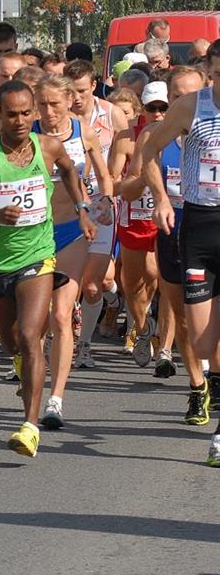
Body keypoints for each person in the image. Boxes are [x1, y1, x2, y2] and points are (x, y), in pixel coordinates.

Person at [0, 80, 91, 457]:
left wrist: (82, 209)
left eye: (26, 113)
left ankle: (30, 425)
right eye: (11, 114)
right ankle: (20, 362)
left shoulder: (48, 147)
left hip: (38, 255)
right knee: (13, 341)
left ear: (35, 112)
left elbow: (69, 171)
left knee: (31, 336)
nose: (20, 121)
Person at [139, 41, 220, 467]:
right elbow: (148, 150)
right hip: (198, 226)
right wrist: (161, 199)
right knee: (203, 339)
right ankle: (205, 382)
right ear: (210, 73)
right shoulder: (190, 107)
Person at [127, 65, 212, 423]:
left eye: (190, 95)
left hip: (210, 224)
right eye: (177, 96)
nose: (184, 102)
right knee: (184, 316)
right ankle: (198, 386)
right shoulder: (156, 135)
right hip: (174, 228)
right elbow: (140, 168)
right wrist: (159, 197)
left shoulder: (213, 126)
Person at [31, 75, 111, 427]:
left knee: (62, 315)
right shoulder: (27, 132)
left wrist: (105, 201)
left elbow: (105, 176)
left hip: (71, 230)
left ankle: (56, 399)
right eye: (42, 104)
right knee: (33, 321)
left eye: (54, 104)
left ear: (68, 102)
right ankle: (31, 372)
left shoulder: (83, 132)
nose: (49, 111)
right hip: (32, 233)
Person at [67, 58, 128, 369]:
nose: (76, 97)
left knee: (95, 285)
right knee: (67, 282)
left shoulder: (112, 114)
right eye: (70, 91)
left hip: (102, 205)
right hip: (67, 206)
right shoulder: (59, 118)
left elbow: (128, 150)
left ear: (93, 85)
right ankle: (63, 336)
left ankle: (85, 344)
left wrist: (110, 193)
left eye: (81, 90)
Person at [108, 80, 169, 371]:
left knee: (159, 275)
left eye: (163, 108)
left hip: (164, 217)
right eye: (152, 108)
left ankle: (165, 347)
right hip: (133, 215)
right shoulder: (127, 138)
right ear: (142, 108)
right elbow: (113, 182)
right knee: (131, 284)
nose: (157, 114)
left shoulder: (179, 134)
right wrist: (137, 181)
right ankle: (143, 330)